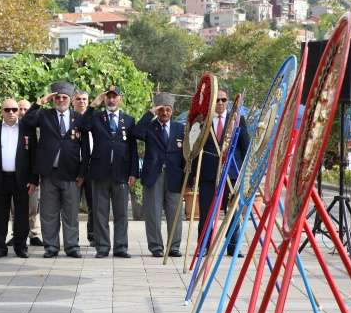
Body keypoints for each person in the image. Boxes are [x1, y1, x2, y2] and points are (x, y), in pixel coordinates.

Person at [21, 82, 89, 259]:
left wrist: (83, 172)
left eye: (64, 97)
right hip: (49, 172)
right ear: (53, 99)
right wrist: (39, 102)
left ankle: (72, 246)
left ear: (70, 99)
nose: (60, 100)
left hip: (72, 174)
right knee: (48, 213)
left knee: (71, 213)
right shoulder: (44, 114)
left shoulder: (78, 118)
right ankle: (51, 246)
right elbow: (27, 121)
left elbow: (86, 147)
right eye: (57, 97)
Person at [81, 86, 138, 258]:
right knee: (100, 213)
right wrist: (93, 104)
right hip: (100, 172)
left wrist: (133, 172)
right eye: (108, 97)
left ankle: (120, 247)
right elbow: (82, 126)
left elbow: (132, 148)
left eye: (115, 97)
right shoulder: (97, 117)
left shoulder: (128, 120)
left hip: (121, 172)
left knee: (121, 213)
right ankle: (103, 247)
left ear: (120, 99)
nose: (111, 100)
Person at [196, 89, 249, 257]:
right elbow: (196, 149)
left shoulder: (238, 120)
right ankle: (204, 246)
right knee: (206, 212)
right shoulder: (204, 121)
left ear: (228, 101)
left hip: (231, 173)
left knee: (232, 212)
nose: (220, 103)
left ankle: (233, 246)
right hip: (208, 174)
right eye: (217, 100)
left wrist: (244, 174)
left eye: (223, 99)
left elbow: (245, 148)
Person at [133, 92, 185, 258]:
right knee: (153, 213)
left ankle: (173, 246)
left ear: (172, 110)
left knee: (175, 213)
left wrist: (188, 180)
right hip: (154, 176)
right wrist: (150, 113)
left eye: (168, 109)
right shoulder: (150, 127)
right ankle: (156, 247)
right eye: (161, 109)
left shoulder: (181, 129)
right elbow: (136, 132)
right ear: (157, 110)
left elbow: (186, 154)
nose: (165, 113)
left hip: (175, 176)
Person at [0, 98, 38, 259]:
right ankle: (0, 248)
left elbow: (34, 155)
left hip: (22, 179)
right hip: (0, 178)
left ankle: (21, 247)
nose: (11, 113)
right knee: (0, 215)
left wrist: (33, 179)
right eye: (7, 110)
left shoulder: (26, 128)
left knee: (22, 215)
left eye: (14, 110)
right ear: (1, 111)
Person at [7, 99, 43, 247]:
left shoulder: (36, 129)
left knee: (33, 207)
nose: (22, 112)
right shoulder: (10, 128)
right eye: (19, 109)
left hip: (33, 174)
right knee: (15, 208)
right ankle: (17, 235)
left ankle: (34, 234)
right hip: (15, 176)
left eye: (25, 110)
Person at [73, 90, 95, 246]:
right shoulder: (69, 119)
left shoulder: (95, 119)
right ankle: (73, 238)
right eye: (78, 99)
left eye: (84, 99)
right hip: (74, 168)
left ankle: (93, 235)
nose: (81, 102)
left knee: (93, 204)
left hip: (92, 167)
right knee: (72, 205)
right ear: (73, 101)